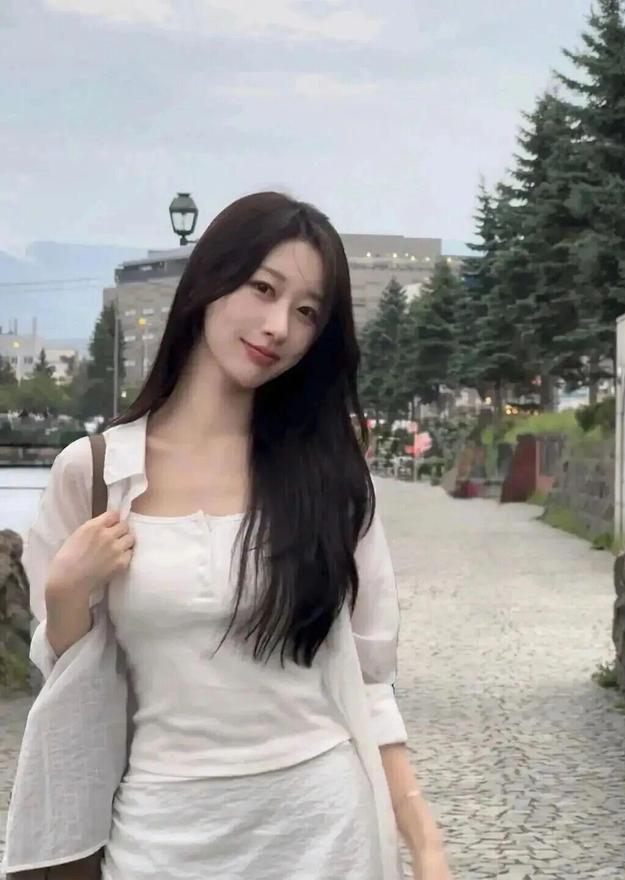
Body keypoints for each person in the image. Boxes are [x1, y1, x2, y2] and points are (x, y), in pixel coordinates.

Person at [16, 192, 453, 879]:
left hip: (325, 837)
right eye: (263, 289)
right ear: (209, 282)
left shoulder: (330, 475)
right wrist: (66, 592)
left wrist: (426, 846)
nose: (278, 327)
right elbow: (71, 689)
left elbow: (371, 684)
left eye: (307, 312)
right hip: (161, 839)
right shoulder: (97, 474)